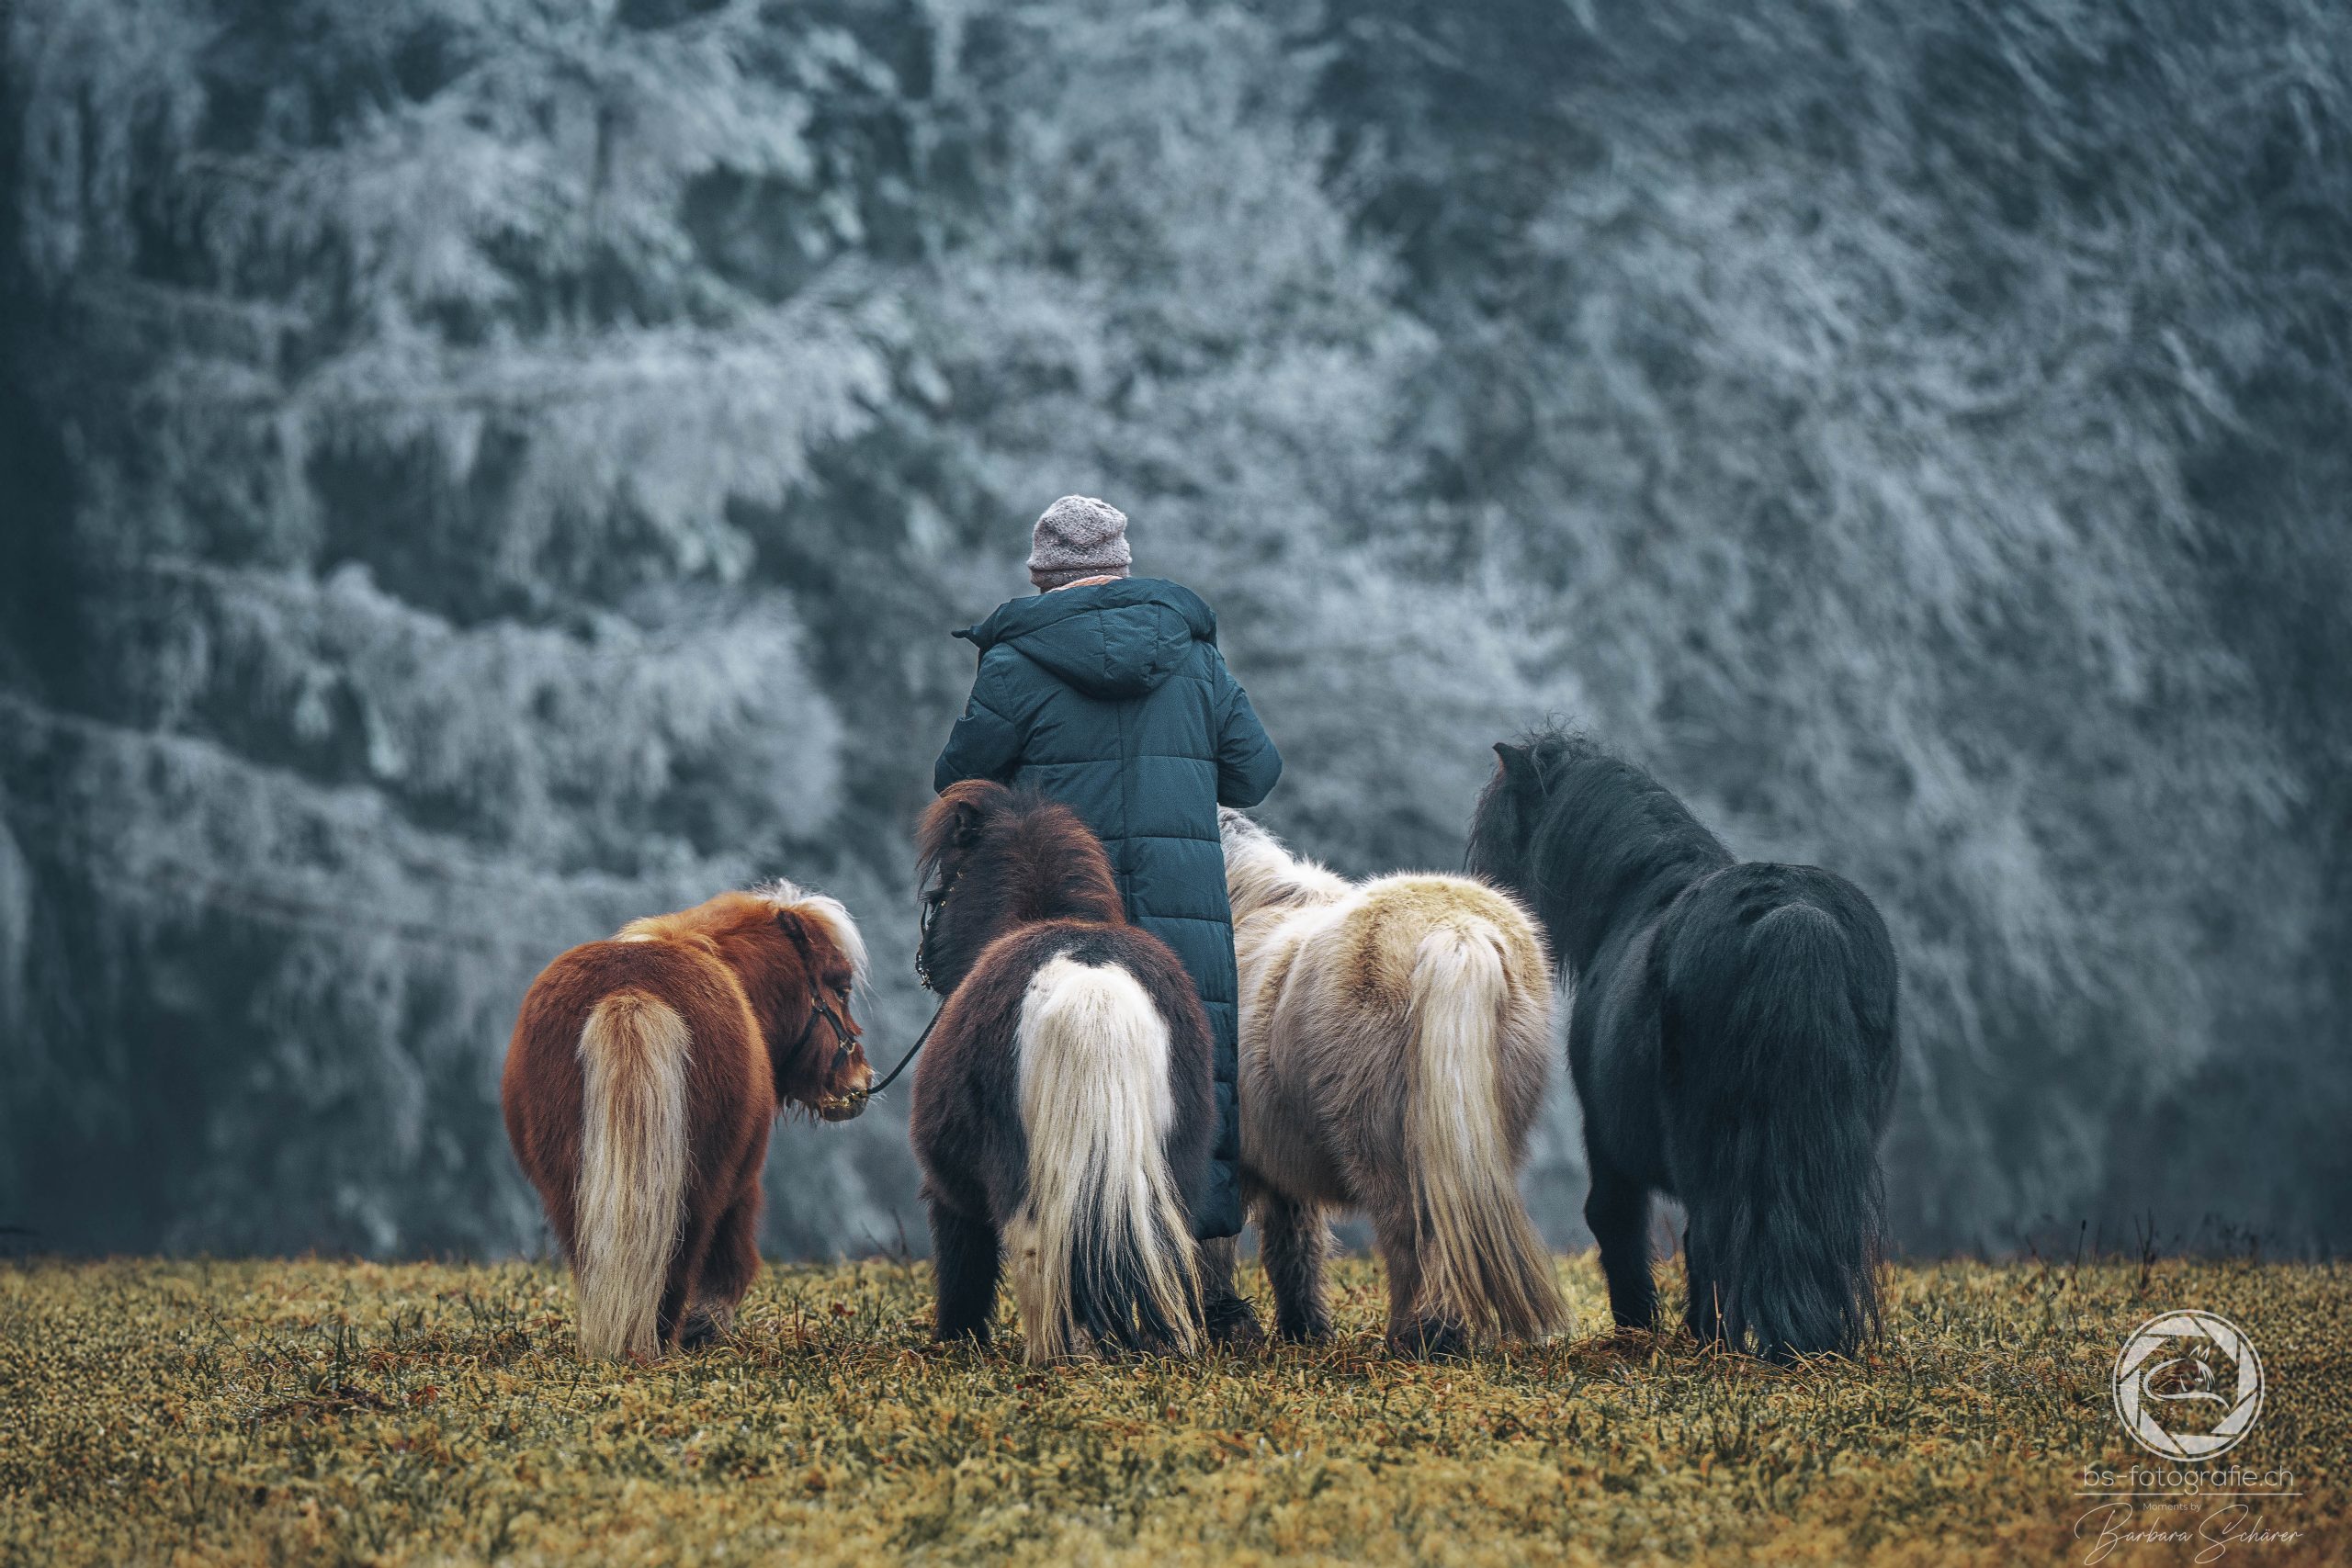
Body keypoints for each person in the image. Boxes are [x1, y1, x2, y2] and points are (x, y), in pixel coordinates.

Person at [933, 494, 1282, 1346]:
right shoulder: (1193, 655)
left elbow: (958, 778)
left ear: (1040, 576)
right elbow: (1256, 771)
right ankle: (1207, 1293)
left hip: (1062, 908)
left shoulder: (1015, 663)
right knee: (1192, 1083)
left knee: (1055, 1087)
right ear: (1122, 568)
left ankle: (1069, 1296)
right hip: (1182, 916)